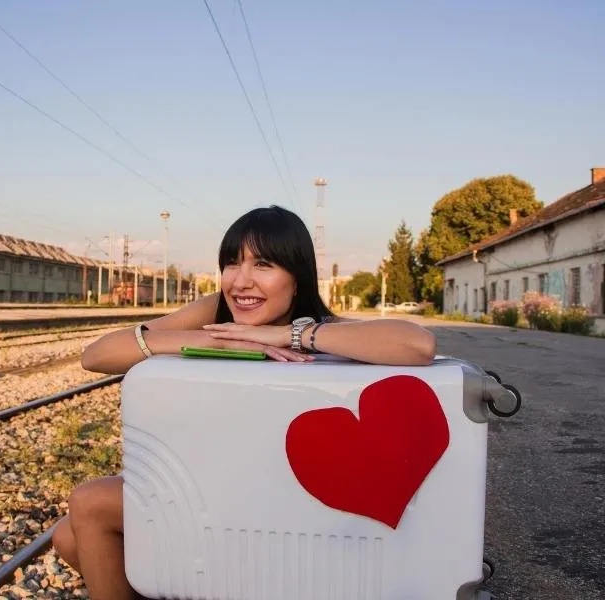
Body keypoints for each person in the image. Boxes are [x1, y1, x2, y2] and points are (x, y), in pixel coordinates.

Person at [52, 205, 436, 600]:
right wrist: (212, 339)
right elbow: (96, 355)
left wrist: (289, 336)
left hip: (279, 504)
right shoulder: (215, 310)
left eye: (264, 265)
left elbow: (417, 344)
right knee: (67, 537)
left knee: (90, 504)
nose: (241, 280)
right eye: (231, 263)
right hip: (212, 487)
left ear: (297, 278)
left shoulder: (318, 328)